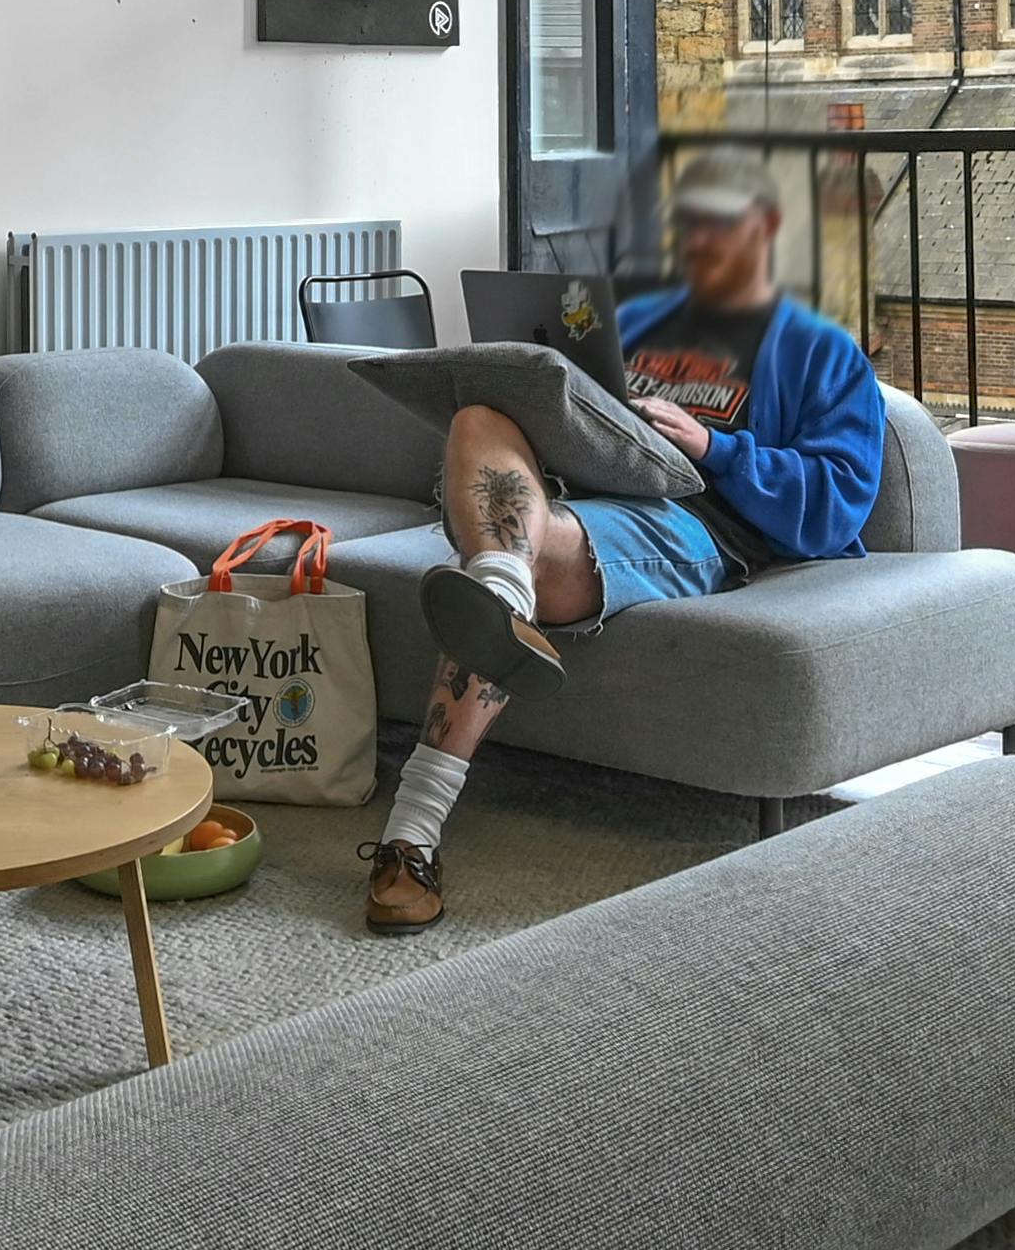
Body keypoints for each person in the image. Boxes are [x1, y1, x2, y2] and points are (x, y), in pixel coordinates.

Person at [365, 143, 885, 935]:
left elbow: (838, 501)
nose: (698, 244)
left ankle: (411, 831)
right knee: (477, 413)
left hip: (696, 522)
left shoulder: (819, 349)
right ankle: (503, 586)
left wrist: (714, 448)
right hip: (572, 494)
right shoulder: (633, 322)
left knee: (511, 560)